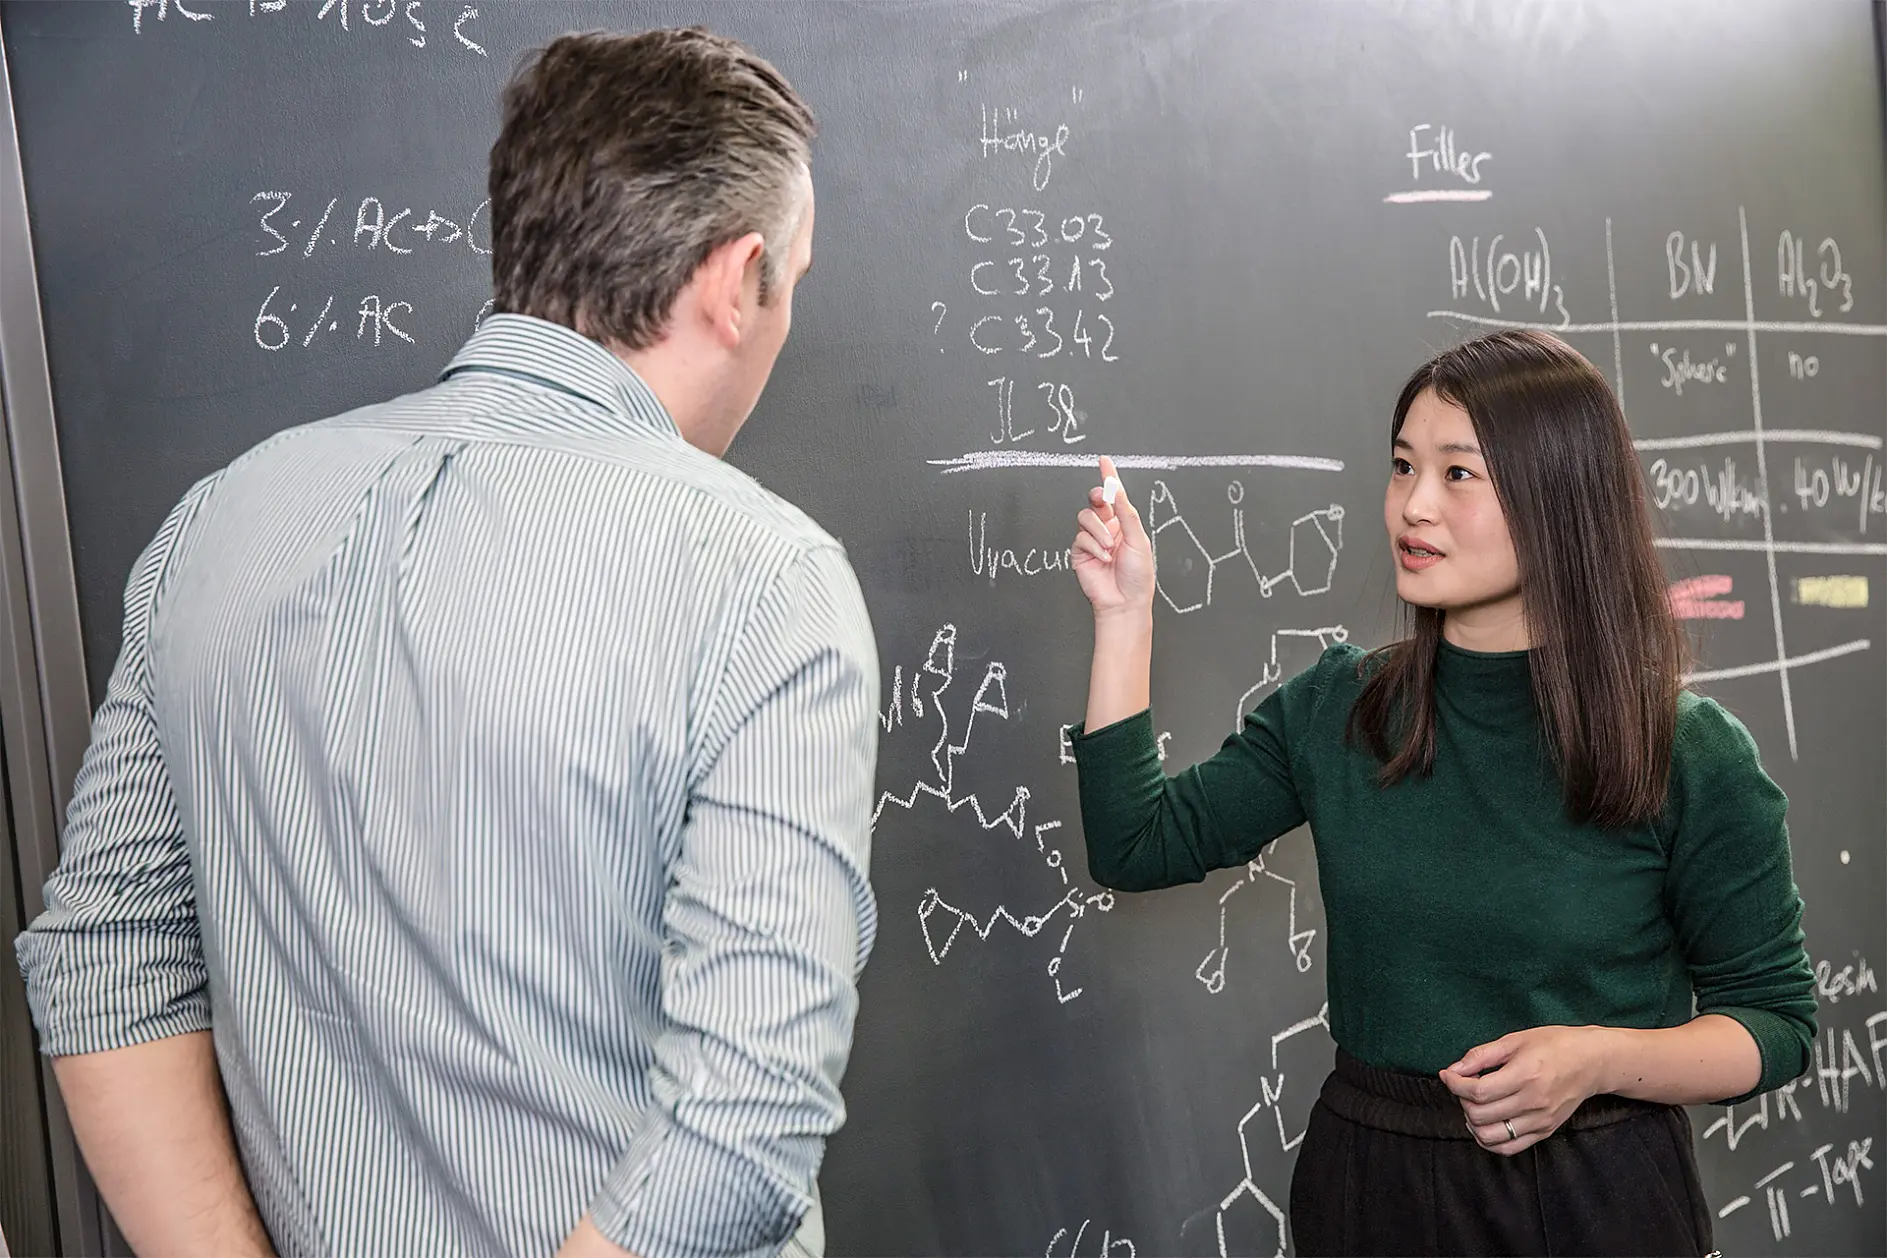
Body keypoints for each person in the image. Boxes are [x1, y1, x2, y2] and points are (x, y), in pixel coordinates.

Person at [16, 28, 877, 1258]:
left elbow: (105, 962)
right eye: (793, 279)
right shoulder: (761, 577)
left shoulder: (219, 521)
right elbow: (744, 1117)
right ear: (737, 280)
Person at [1066, 329, 1816, 1255]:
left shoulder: (1686, 750)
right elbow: (1136, 845)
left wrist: (1599, 1059)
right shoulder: (1341, 707)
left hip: (1596, 1193)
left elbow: (1775, 1023)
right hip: (1368, 1183)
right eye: (1401, 466)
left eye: (1458, 474)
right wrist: (1123, 614)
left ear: (1559, 500)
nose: (1412, 505)